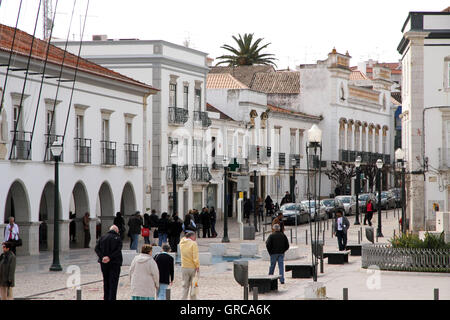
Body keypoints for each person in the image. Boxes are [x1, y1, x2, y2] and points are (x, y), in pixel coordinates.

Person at [95, 225, 123, 300]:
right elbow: (118, 251)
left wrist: (102, 257)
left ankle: (106, 297)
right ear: (116, 231)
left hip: (104, 263)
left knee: (106, 281)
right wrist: (109, 257)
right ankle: (112, 298)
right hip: (114, 263)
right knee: (113, 282)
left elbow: (97, 248)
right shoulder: (118, 238)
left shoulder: (102, 237)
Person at [179, 231, 200, 300]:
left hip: (184, 266)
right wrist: (197, 266)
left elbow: (183, 238)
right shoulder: (193, 244)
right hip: (192, 267)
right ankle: (193, 299)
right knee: (194, 285)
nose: (195, 238)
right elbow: (195, 256)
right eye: (195, 236)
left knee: (185, 286)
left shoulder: (181, 243)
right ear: (192, 236)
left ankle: (183, 298)